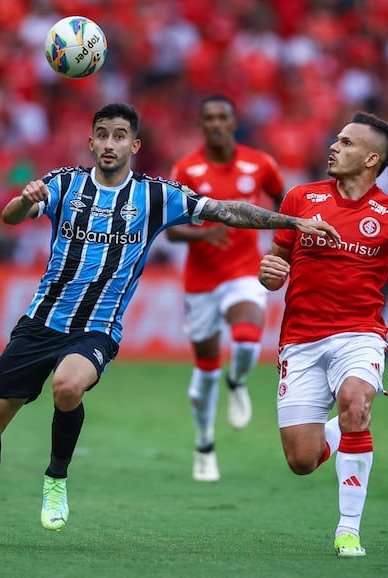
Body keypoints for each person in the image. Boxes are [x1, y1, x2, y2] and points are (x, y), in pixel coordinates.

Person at [0, 102, 339, 547]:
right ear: (91, 141)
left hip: (96, 328)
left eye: (119, 136)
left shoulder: (156, 196)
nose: (109, 143)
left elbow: (227, 211)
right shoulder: (64, 183)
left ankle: (56, 479)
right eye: (102, 134)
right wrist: (25, 200)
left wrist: (292, 221)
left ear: (134, 145)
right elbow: (8, 217)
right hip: (40, 324)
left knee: (67, 387)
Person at [258, 111, 388, 557]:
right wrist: (271, 273)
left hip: (360, 334)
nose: (334, 147)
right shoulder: (299, 198)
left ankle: (348, 530)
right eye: (336, 140)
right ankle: (343, 429)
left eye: (347, 142)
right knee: (301, 460)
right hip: (299, 340)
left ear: (371, 159)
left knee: (356, 400)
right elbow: (276, 266)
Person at [166, 95, 285, 482]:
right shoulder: (186, 168)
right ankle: (204, 445)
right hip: (201, 282)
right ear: (202, 125)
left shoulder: (261, 163)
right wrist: (200, 234)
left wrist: (284, 246)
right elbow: (169, 226)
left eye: (223, 117)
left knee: (249, 339)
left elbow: (285, 203)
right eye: (209, 118)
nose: (216, 124)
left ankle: (239, 381)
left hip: (244, 271)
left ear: (234, 123)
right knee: (205, 368)